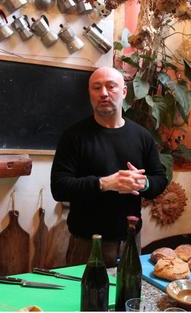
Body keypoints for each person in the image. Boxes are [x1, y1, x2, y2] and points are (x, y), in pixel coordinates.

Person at [50, 67, 168, 267]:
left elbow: (160, 179)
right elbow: (59, 188)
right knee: (84, 298)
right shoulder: (73, 137)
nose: (103, 93)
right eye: (96, 88)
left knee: (128, 297)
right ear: (90, 94)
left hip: (130, 242)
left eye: (110, 86)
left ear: (123, 92)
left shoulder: (142, 136)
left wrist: (143, 182)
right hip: (86, 244)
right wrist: (104, 183)